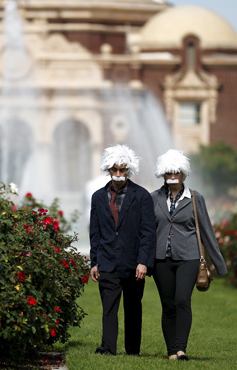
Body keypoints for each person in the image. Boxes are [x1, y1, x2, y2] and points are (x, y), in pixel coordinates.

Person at [151, 149, 227, 361]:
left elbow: (207, 232)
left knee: (182, 300)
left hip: (189, 258)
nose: (173, 175)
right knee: (167, 305)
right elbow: (146, 232)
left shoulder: (195, 198)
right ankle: (171, 351)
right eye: (168, 172)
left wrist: (219, 265)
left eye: (177, 171)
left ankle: (181, 349)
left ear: (183, 173)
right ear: (163, 174)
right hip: (160, 260)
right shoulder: (153, 198)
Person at [89, 144, 155, 357]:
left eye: (122, 170)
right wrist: (94, 262)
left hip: (134, 262)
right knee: (109, 308)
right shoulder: (98, 197)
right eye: (115, 170)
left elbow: (148, 233)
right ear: (108, 169)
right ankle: (107, 348)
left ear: (129, 170)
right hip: (107, 260)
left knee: (133, 308)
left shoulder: (142, 196)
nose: (118, 174)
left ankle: (133, 351)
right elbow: (95, 232)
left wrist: (143, 261)